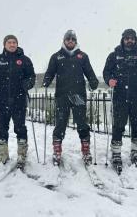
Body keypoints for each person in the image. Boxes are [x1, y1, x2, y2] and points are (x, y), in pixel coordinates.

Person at [42, 30, 99, 166]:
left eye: (73, 39)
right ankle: (57, 151)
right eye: (68, 39)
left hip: (78, 95)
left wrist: (93, 81)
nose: (70, 41)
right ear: (64, 41)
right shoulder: (56, 56)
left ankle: (86, 151)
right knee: (60, 123)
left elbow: (89, 72)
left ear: (76, 41)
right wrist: (46, 81)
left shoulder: (82, 56)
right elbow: (50, 72)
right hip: (62, 96)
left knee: (81, 123)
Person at [103, 29, 137, 171]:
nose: (129, 40)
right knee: (119, 125)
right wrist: (109, 80)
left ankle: (136, 152)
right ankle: (116, 152)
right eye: (127, 38)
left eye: (132, 38)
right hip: (120, 96)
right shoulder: (114, 56)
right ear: (123, 39)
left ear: (135, 40)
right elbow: (106, 72)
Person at [0, 35, 36, 169]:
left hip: (19, 99)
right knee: (2, 127)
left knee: (20, 127)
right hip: (1, 100)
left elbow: (32, 76)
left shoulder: (24, 60)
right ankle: (3, 154)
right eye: (9, 42)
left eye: (14, 42)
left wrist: (28, 83)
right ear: (4, 44)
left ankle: (22, 154)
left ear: (17, 44)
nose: (12, 45)